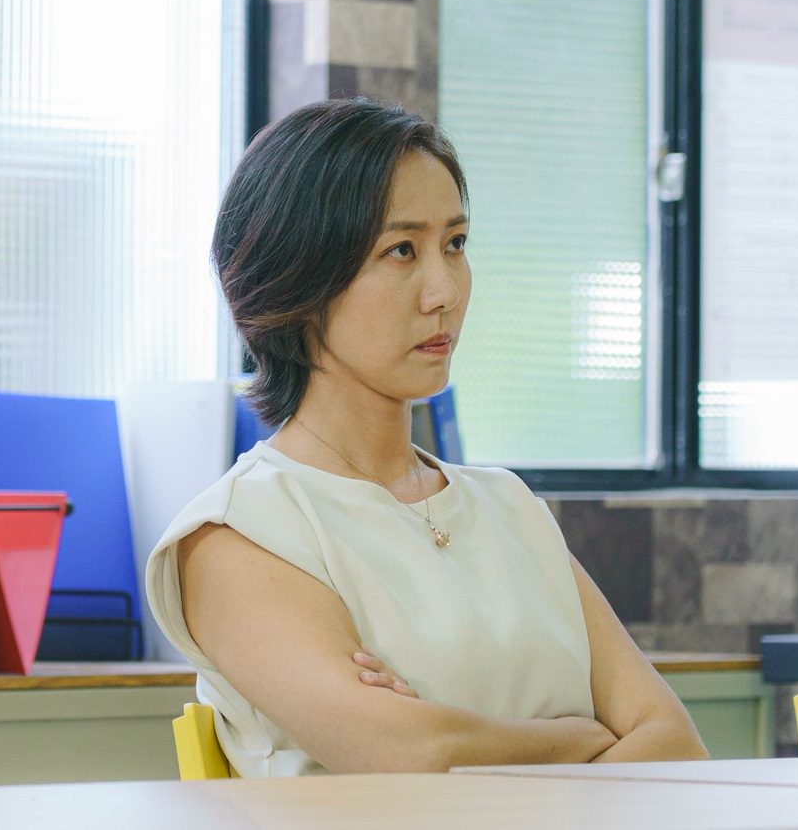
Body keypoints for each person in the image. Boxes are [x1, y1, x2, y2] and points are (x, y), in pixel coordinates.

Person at [144, 98, 708, 777]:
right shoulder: (238, 533)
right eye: (401, 250)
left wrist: (464, 740)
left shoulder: (509, 507)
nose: (444, 291)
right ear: (299, 278)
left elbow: (675, 743)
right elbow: (409, 753)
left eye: (456, 244)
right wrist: (581, 737)